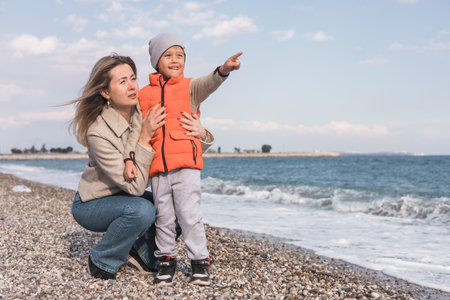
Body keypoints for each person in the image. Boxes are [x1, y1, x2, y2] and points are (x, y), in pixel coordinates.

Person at [69, 54, 214, 280]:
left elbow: (176, 153)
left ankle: (142, 255)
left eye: (133, 78)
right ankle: (102, 259)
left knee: (176, 204)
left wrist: (201, 132)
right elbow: (135, 188)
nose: (131, 86)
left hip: (126, 196)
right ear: (105, 93)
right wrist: (145, 138)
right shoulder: (98, 133)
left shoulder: (144, 110)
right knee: (142, 210)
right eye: (122, 81)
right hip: (93, 204)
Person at [139, 32, 242, 286]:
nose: (176, 60)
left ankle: (199, 262)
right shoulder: (143, 95)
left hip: (186, 166)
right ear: (156, 61)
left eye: (180, 55)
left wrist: (224, 69)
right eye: (169, 55)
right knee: (163, 216)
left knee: (189, 215)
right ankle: (166, 261)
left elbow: (210, 82)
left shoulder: (190, 88)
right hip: (158, 168)